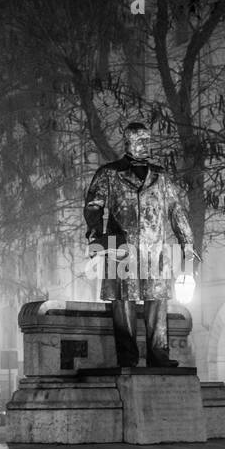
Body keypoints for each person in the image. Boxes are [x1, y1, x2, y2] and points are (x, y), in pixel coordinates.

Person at [83, 121, 195, 367]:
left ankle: (159, 354)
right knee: (123, 303)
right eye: (140, 139)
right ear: (128, 142)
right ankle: (127, 358)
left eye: (148, 139)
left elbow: (177, 210)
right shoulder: (109, 174)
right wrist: (102, 233)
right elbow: (93, 206)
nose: (146, 144)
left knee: (158, 302)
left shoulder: (161, 176)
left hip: (155, 250)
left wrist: (187, 242)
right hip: (120, 248)